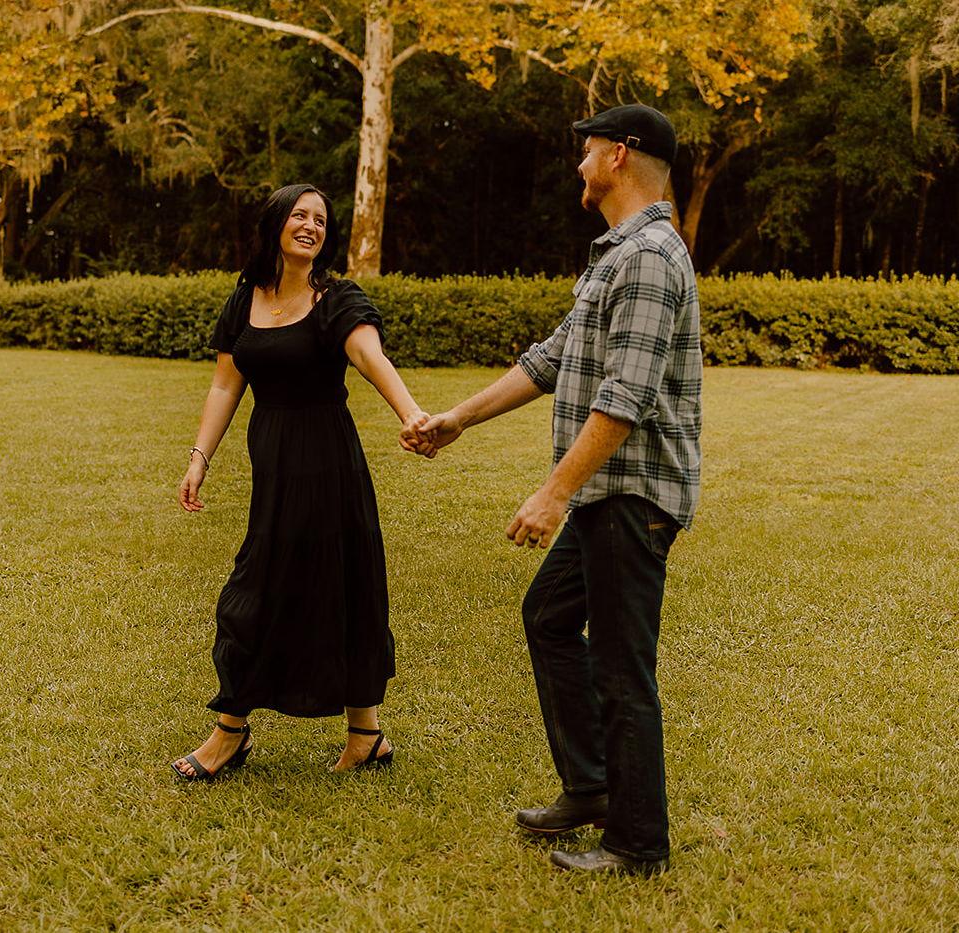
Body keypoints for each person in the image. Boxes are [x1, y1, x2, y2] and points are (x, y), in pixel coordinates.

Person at [404, 104, 701, 875]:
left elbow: (626, 395)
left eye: (588, 150)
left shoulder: (648, 257)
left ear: (619, 156)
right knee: (549, 615)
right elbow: (552, 357)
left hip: (630, 494)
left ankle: (637, 843)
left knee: (621, 668)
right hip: (607, 493)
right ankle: (590, 786)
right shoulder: (617, 254)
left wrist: (553, 491)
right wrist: (458, 419)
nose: (579, 164)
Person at [174, 183, 427, 780]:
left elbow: (369, 357)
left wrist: (412, 415)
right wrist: (199, 456)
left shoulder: (336, 298)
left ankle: (356, 735)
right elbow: (225, 384)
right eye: (300, 215)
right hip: (273, 464)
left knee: (342, 585)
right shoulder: (245, 298)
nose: (311, 226)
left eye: (321, 219)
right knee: (255, 588)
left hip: (328, 464)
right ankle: (242, 730)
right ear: (276, 224)